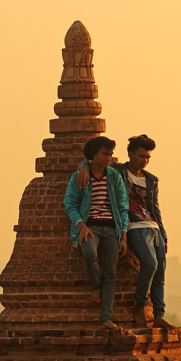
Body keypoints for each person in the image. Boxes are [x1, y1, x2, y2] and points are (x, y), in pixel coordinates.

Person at [76, 134, 176, 330]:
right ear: (130, 154)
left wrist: (163, 234)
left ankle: (159, 315)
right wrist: (81, 168)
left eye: (147, 157)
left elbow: (155, 209)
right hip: (133, 225)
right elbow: (92, 160)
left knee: (160, 271)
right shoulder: (117, 171)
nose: (144, 161)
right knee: (149, 263)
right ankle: (139, 304)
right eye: (140, 156)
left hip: (152, 226)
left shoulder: (151, 180)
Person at [63, 136, 129, 332]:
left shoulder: (114, 177)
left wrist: (123, 235)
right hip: (90, 226)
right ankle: (97, 285)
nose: (109, 158)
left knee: (111, 273)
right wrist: (81, 225)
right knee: (90, 255)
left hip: (111, 228)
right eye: (105, 153)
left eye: (110, 154)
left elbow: (123, 207)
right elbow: (70, 205)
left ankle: (106, 319)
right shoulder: (80, 177)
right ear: (94, 155)